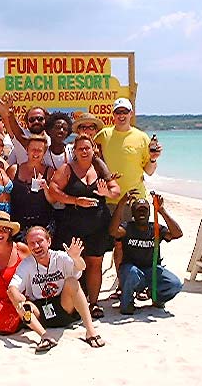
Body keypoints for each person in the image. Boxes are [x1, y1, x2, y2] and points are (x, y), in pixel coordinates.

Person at [50, 134, 120, 319]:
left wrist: (108, 193)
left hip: (98, 225)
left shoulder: (100, 168)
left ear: (93, 149)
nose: (83, 151)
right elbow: (53, 189)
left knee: (95, 264)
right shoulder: (67, 169)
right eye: (79, 148)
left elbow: (116, 190)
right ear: (74, 151)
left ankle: (94, 303)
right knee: (74, 265)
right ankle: (75, 302)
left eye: (87, 148)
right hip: (73, 226)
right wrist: (74, 200)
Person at [7, 227, 105, 352]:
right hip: (39, 312)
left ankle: (90, 331)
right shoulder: (27, 264)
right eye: (32, 243)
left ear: (49, 241)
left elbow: (81, 267)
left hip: (64, 306)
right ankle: (45, 337)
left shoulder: (60, 257)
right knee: (22, 305)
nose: (36, 246)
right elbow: (12, 287)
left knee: (72, 282)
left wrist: (75, 257)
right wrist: (17, 296)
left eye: (40, 241)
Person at [109, 193, 183, 315]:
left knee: (175, 284)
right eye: (138, 210)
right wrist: (121, 204)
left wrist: (161, 210)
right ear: (133, 214)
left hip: (151, 271)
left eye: (145, 210)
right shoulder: (127, 228)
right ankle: (127, 303)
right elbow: (113, 231)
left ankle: (157, 298)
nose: (142, 213)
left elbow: (177, 234)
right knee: (131, 272)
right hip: (131, 272)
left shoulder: (156, 229)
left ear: (149, 213)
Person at [94, 97, 162, 203]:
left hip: (135, 200)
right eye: (118, 112)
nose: (121, 115)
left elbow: (149, 172)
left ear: (131, 113)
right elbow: (89, 155)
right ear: (113, 114)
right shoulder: (103, 135)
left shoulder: (142, 137)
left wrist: (153, 159)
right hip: (109, 198)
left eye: (125, 112)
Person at [6, 134, 54, 241]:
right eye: (33, 149)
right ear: (27, 150)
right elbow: (5, 195)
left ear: (44, 152)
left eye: (39, 150)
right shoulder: (14, 170)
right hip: (18, 224)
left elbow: (53, 200)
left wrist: (46, 188)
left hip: (42, 225)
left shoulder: (49, 171)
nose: (36, 153)